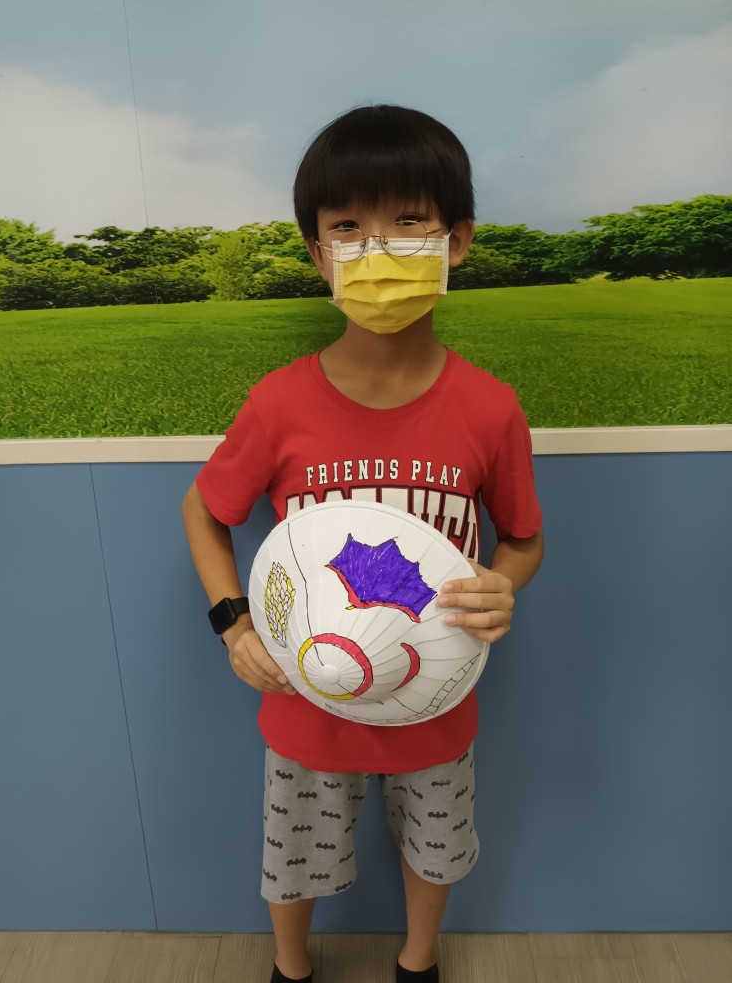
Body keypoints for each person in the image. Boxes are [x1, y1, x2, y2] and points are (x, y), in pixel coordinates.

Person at [182, 104, 544, 983]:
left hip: (438, 696)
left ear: (458, 241)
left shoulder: (489, 408)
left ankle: (419, 961)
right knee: (293, 854)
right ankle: (290, 967)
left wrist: (504, 584)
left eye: (409, 220)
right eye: (347, 226)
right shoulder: (280, 403)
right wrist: (232, 621)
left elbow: (524, 539)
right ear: (318, 254)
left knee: (438, 846)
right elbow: (204, 508)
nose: (377, 247)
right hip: (306, 699)